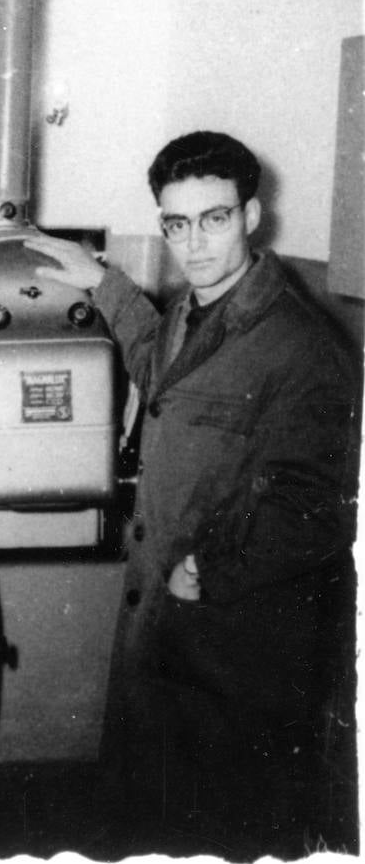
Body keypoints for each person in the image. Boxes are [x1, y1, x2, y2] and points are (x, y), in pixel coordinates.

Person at [28, 130, 360, 860]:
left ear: (251, 215)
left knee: (219, 830)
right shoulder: (192, 308)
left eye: (213, 218)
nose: (195, 243)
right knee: (150, 822)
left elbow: (317, 510)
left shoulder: (302, 347)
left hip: (232, 646)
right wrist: (102, 279)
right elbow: (160, 364)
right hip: (162, 635)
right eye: (176, 224)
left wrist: (210, 570)